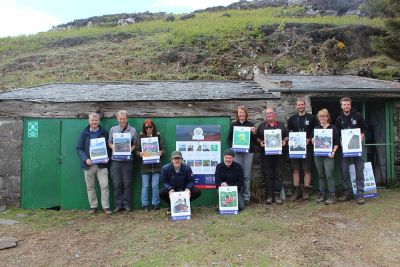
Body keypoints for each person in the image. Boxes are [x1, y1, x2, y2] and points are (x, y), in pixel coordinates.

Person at [76, 113, 112, 215]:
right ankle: (93, 206)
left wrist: (107, 158)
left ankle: (105, 207)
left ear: (99, 121)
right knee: (90, 187)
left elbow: (109, 148)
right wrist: (85, 159)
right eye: (92, 120)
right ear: (89, 121)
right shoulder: (84, 133)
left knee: (104, 185)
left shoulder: (104, 133)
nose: (94, 122)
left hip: (102, 165)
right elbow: (79, 148)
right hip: (89, 165)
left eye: (96, 120)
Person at [335, 97, 368, 204]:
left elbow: (364, 129)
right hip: (345, 148)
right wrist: (340, 140)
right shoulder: (339, 119)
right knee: (344, 170)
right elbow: (338, 133)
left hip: (357, 147)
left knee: (359, 170)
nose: (346, 106)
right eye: (344, 105)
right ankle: (347, 193)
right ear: (341, 106)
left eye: (348, 104)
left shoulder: (358, 115)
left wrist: (362, 136)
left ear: (350, 105)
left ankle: (360, 194)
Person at [287, 99, 318, 201]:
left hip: (308, 147)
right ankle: (297, 190)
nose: (300, 106)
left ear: (305, 105)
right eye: (298, 105)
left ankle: (305, 191)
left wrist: (311, 138)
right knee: (295, 169)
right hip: (295, 148)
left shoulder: (312, 118)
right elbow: (289, 132)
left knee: (307, 169)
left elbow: (316, 130)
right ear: (296, 106)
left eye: (302, 104)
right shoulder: (292, 119)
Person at [256, 107, 288, 205]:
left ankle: (277, 195)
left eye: (270, 113)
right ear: (265, 116)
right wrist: (260, 142)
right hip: (266, 155)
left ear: (274, 114)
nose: (269, 115)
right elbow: (257, 138)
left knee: (278, 174)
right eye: (267, 114)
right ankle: (269, 196)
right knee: (268, 174)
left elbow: (286, 136)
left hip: (279, 155)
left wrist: (284, 141)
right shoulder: (261, 127)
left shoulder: (281, 126)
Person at [108, 110, 137, 212]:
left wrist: (130, 149)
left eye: (124, 118)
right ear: (117, 119)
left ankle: (127, 205)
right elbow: (109, 142)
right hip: (115, 160)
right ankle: (117, 205)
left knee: (127, 183)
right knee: (116, 183)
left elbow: (135, 144)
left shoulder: (133, 130)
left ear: (127, 119)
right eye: (120, 118)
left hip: (128, 160)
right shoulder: (113, 129)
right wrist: (113, 147)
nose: (122, 120)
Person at [227, 106, 256, 206]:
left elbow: (254, 141)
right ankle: (238, 196)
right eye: (239, 113)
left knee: (247, 176)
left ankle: (246, 197)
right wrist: (233, 147)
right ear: (237, 114)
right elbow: (229, 139)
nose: (241, 114)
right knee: (238, 174)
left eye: (243, 112)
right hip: (237, 152)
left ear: (246, 114)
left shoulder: (251, 125)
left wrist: (253, 133)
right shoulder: (234, 125)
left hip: (248, 152)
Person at [135, 119, 165, 211]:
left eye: (150, 127)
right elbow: (136, 150)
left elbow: (164, 149)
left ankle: (155, 204)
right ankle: (145, 204)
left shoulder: (158, 137)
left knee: (155, 186)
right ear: (144, 128)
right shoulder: (140, 137)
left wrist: (161, 152)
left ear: (153, 127)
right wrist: (139, 154)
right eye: (146, 127)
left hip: (156, 165)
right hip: (145, 166)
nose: (148, 129)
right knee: (145, 186)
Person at [312, 109, 340, 205]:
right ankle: (322, 195)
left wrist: (333, 152)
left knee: (329, 175)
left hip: (329, 155)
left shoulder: (333, 128)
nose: (323, 118)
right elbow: (313, 141)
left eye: (324, 116)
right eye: (321, 116)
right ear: (318, 118)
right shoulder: (316, 129)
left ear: (328, 117)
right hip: (318, 154)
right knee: (321, 175)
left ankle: (332, 196)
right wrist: (313, 141)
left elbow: (337, 143)